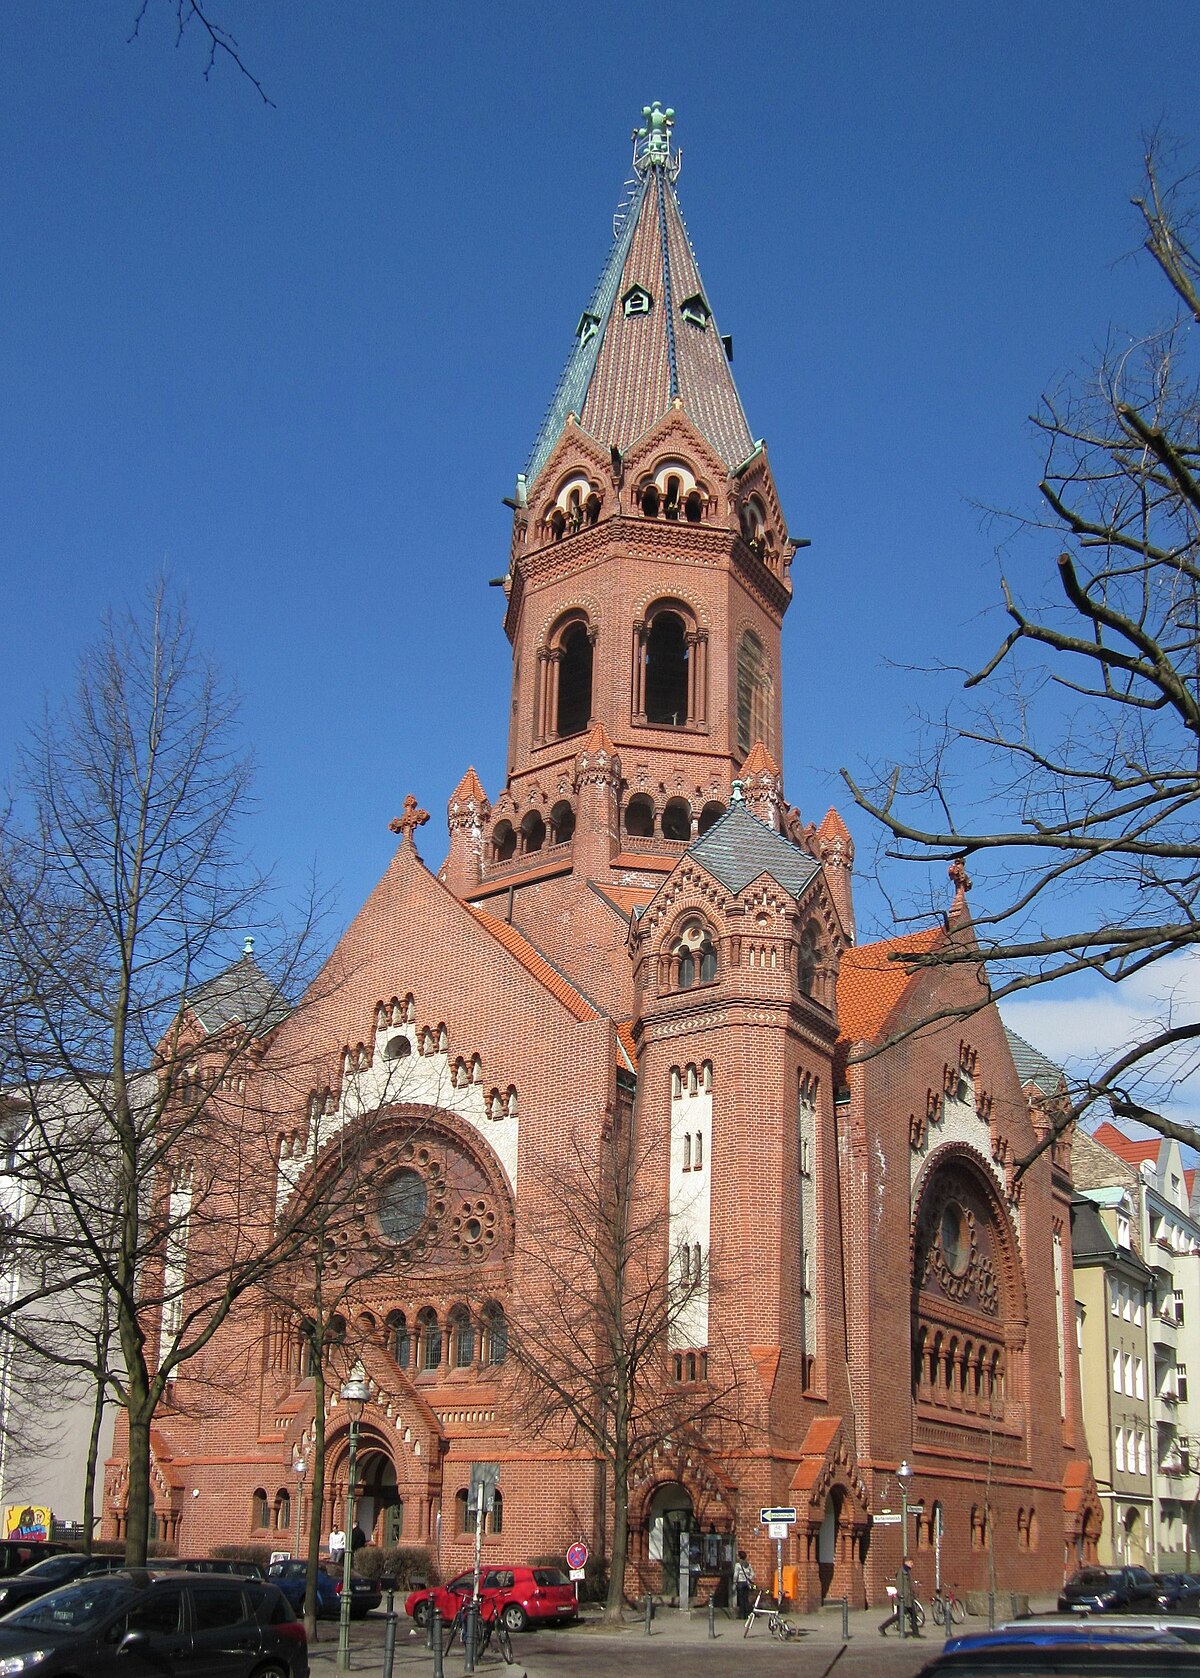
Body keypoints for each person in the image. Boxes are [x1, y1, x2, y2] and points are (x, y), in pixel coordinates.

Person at [879, 1559, 920, 1637]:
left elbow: (909, 1585)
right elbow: (899, 1586)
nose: (912, 1564)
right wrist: (902, 1597)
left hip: (908, 1598)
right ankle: (882, 1627)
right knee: (899, 1615)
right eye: (911, 1562)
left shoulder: (907, 1572)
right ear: (906, 1562)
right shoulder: (901, 1573)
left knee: (913, 1615)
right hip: (903, 1600)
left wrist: (913, 1593)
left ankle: (916, 1633)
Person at [734, 1550, 754, 1618]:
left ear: (739, 1556)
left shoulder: (738, 1565)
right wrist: (749, 1578)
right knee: (746, 1599)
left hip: (740, 1583)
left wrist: (734, 1581)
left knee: (741, 1600)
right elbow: (752, 1574)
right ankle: (746, 1614)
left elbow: (736, 1575)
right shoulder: (748, 1564)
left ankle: (741, 1615)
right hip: (746, 1583)